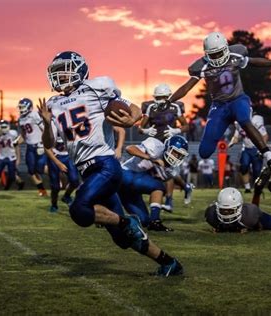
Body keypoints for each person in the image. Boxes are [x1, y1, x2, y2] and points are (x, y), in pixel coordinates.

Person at [40, 51, 183, 276]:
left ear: (78, 69)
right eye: (57, 72)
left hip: (105, 164)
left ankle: (127, 220)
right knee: (122, 239)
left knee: (79, 209)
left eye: (63, 70)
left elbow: (132, 107)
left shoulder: (97, 87)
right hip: (88, 172)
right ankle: (169, 263)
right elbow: (49, 141)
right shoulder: (53, 104)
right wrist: (48, 124)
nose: (60, 75)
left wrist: (132, 118)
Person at [168, 31, 271, 175]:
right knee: (204, 152)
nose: (218, 58)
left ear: (226, 48)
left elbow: (256, 62)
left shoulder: (236, 54)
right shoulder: (201, 66)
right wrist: (169, 100)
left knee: (244, 119)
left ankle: (270, 158)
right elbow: (186, 87)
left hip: (238, 99)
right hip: (219, 106)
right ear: (206, 54)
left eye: (219, 53)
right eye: (213, 55)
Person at [119, 135, 191, 232]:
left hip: (133, 191)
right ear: (167, 147)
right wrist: (151, 158)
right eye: (174, 152)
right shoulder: (155, 146)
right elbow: (129, 148)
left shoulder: (172, 170)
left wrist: (185, 187)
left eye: (179, 155)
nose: (175, 157)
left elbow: (176, 178)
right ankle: (155, 222)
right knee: (158, 187)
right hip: (126, 175)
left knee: (143, 220)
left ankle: (114, 219)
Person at [205, 168, 271, 232]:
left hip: (256, 217)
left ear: (239, 208)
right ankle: (259, 191)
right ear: (217, 207)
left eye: (230, 210)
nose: (227, 214)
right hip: (250, 215)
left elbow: (254, 221)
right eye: (224, 210)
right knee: (253, 215)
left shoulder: (249, 216)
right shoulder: (211, 215)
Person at [139, 83, 190, 212]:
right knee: (167, 172)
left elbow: (186, 126)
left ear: (168, 97)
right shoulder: (150, 108)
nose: (160, 100)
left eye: (163, 97)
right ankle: (186, 187)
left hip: (170, 144)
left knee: (169, 171)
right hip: (154, 143)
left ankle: (169, 200)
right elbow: (140, 128)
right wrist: (145, 131)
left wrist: (176, 131)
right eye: (158, 97)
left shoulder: (175, 107)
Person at [16, 98, 48, 196]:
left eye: (22, 107)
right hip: (30, 147)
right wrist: (16, 142)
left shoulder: (34, 114)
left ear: (29, 107)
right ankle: (42, 190)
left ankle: (61, 177)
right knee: (31, 170)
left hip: (39, 145)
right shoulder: (20, 118)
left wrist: (44, 143)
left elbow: (45, 129)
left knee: (40, 169)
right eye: (20, 107)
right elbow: (24, 134)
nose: (21, 109)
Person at [229, 112, 267, 193]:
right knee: (244, 166)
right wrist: (231, 142)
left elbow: (265, 136)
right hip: (246, 148)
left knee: (257, 171)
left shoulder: (256, 122)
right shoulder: (239, 123)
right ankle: (247, 188)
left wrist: (262, 149)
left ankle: (258, 188)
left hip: (256, 149)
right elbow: (236, 137)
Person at [44, 135, 79, 213]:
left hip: (69, 155)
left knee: (74, 180)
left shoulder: (71, 123)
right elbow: (46, 146)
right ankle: (54, 205)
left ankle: (66, 196)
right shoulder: (50, 125)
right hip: (55, 156)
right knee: (55, 187)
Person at [0, 120, 20, 191]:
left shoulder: (13, 133)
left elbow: (17, 146)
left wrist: (18, 158)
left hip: (12, 156)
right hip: (2, 156)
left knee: (12, 176)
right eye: (2, 127)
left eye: (5, 127)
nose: (3, 128)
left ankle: (7, 188)